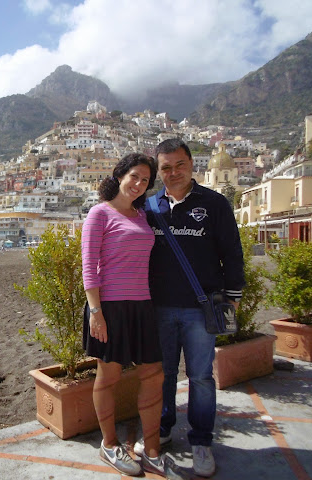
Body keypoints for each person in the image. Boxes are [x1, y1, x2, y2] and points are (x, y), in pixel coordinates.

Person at [136, 138, 244, 478]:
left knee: (200, 378)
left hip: (201, 310)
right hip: (160, 310)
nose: (173, 172)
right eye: (165, 168)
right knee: (163, 375)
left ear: (192, 164)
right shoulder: (150, 207)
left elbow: (233, 254)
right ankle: (164, 428)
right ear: (159, 172)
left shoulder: (214, 204)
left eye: (179, 165)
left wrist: (233, 298)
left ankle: (201, 441)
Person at [82, 153, 183, 478]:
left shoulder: (141, 216)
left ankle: (152, 451)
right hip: (109, 307)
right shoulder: (99, 213)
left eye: (145, 180)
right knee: (108, 377)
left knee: (154, 375)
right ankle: (109, 444)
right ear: (120, 175)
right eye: (134, 177)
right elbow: (89, 268)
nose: (139, 184)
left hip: (142, 307)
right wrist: (96, 313)